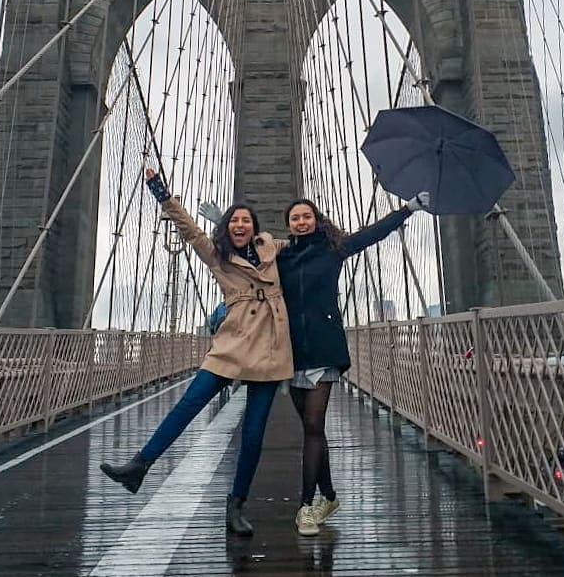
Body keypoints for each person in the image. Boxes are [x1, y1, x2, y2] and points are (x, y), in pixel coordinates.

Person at [100, 168, 293, 537]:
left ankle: (236, 506)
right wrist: (161, 192)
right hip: (233, 343)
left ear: (255, 227)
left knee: (253, 435)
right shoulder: (217, 255)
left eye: (245, 221)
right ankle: (139, 466)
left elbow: (308, 245)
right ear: (227, 226)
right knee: (188, 405)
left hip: (269, 347)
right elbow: (190, 230)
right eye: (234, 221)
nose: (240, 225)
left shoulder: (274, 248)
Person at [277, 193, 430, 536]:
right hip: (292, 352)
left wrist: (407, 209)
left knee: (315, 425)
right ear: (289, 225)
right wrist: (223, 229)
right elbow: (248, 263)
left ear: (316, 219)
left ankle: (305, 508)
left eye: (306, 216)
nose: (301, 222)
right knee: (311, 431)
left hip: (325, 348)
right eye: (295, 218)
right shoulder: (282, 257)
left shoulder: (334, 249)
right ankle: (329, 496)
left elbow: (373, 233)